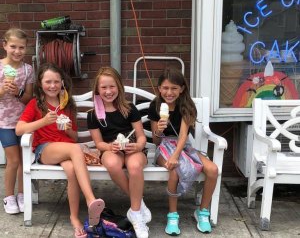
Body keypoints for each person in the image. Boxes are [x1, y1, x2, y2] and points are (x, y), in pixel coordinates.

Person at [15, 63, 105, 238]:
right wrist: (44, 121)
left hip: (66, 148)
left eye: (56, 81)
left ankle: (74, 218)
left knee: (71, 170)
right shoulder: (36, 104)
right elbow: (19, 129)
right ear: (40, 84)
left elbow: (74, 138)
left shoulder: (67, 104)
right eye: (48, 81)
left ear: (62, 83)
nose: (52, 85)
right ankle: (90, 199)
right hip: (45, 149)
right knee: (74, 150)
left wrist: (68, 128)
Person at [148, 66, 218, 235]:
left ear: (182, 89)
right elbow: (156, 141)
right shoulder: (155, 105)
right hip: (163, 147)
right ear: (159, 89)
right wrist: (158, 129)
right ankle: (173, 215)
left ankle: (202, 212)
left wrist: (176, 155)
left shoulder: (186, 105)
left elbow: (183, 136)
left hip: (182, 147)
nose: (169, 92)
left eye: (174, 88)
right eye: (165, 88)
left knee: (213, 169)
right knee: (174, 170)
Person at [87, 67, 151, 238]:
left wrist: (137, 146)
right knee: (112, 163)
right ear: (97, 90)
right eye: (104, 88)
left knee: (135, 165)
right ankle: (139, 205)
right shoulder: (94, 114)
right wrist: (110, 147)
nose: (108, 91)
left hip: (132, 148)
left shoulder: (129, 108)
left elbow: (141, 137)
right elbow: (99, 143)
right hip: (111, 149)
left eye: (112, 87)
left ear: (119, 87)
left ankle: (135, 214)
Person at [0, 28, 35, 215]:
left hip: (23, 121)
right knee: (12, 160)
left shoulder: (27, 69)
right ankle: (8, 197)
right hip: (4, 121)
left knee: (24, 160)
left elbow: (29, 98)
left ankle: (22, 194)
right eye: (13, 46)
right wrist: (3, 90)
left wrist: (17, 92)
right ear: (4, 45)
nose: (17, 51)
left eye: (21, 47)